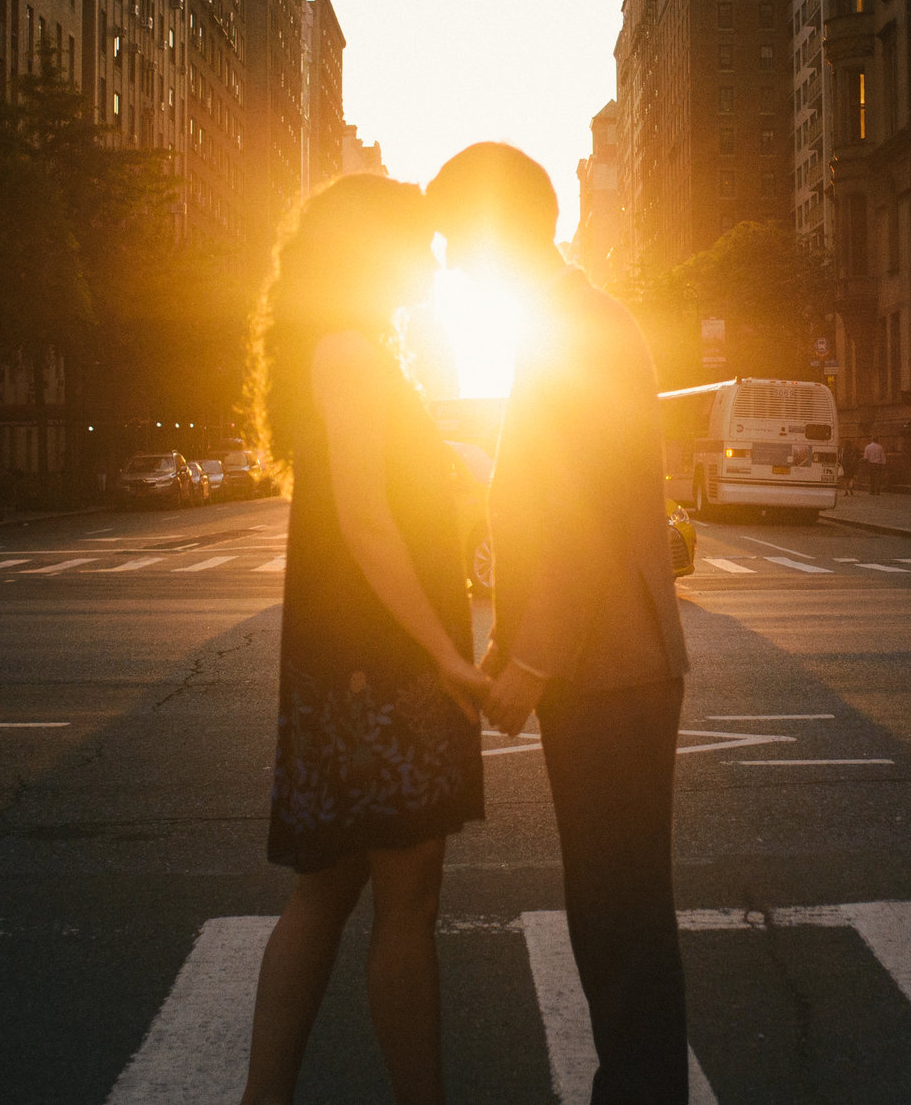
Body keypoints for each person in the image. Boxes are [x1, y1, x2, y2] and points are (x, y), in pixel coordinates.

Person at [430, 142, 691, 1105]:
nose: (452, 261)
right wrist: (510, 648)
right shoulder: (558, 324)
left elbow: (583, 520)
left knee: (620, 907)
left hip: (612, 662)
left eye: (460, 238)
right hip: (597, 659)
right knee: (606, 901)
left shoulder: (580, 328)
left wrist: (528, 660)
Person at [241, 175, 492, 1105]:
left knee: (331, 885)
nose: (429, 260)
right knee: (404, 891)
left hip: (356, 658)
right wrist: (441, 652)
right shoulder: (347, 349)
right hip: (374, 665)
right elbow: (366, 521)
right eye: (415, 243)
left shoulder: (355, 347)